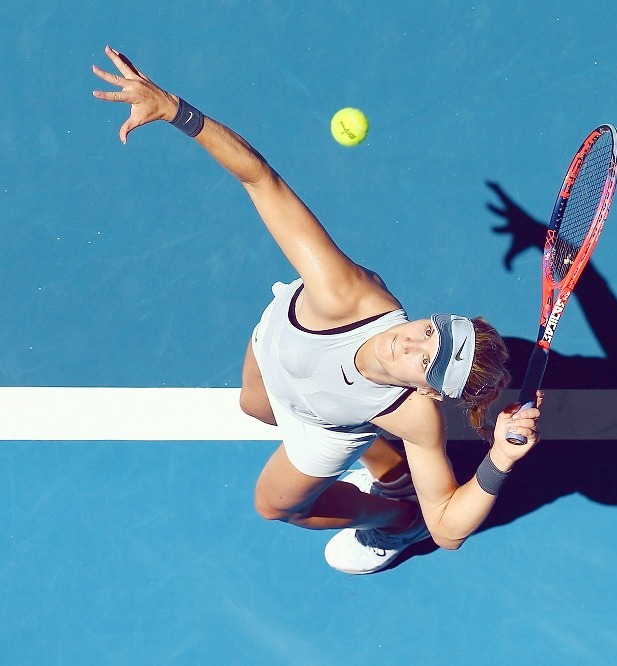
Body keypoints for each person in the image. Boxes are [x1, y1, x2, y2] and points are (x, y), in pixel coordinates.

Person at [91, 46, 542, 574]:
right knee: (255, 408)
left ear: (427, 392)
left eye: (425, 361)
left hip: (327, 425)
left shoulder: (416, 417)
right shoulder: (341, 292)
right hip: (275, 345)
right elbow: (261, 179)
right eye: (428, 331)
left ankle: (394, 521)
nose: (409, 341)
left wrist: (499, 460)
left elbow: (447, 528)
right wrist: (175, 111)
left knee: (276, 506)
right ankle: (388, 469)